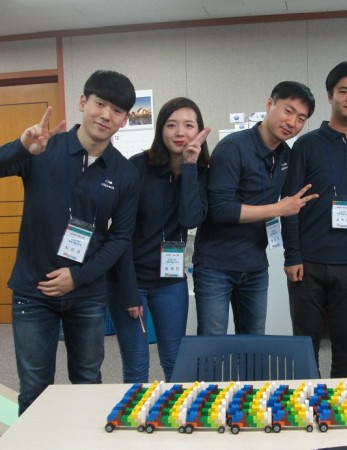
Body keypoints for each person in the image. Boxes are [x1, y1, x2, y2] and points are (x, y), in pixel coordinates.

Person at [0, 70, 140, 414]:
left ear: (124, 119)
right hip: (33, 292)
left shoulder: (124, 173)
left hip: (87, 294)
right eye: (100, 104)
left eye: (117, 110)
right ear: (83, 102)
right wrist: (20, 147)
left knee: (87, 381)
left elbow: (120, 237)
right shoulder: (42, 148)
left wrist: (78, 277)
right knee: (34, 387)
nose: (106, 115)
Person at [281, 61, 347, 378]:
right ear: (330, 95)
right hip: (307, 264)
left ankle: (341, 402)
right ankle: (307, 400)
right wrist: (292, 255)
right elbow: (290, 204)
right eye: (344, 91)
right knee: (305, 345)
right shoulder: (306, 144)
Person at [193, 81, 317, 336]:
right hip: (215, 265)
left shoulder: (286, 155)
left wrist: (293, 256)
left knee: (253, 342)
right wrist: (277, 209)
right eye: (288, 111)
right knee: (212, 344)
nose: (292, 122)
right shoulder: (233, 148)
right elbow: (220, 210)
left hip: (255, 265)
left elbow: (291, 209)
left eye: (301, 118)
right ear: (270, 104)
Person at [107, 97, 211, 383]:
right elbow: (121, 234)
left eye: (188, 125)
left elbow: (190, 219)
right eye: (171, 125)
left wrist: (189, 167)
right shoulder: (138, 167)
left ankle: (175, 411)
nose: (180, 133)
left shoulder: (200, 171)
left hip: (170, 281)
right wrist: (128, 291)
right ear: (160, 129)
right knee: (137, 365)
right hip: (130, 279)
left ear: (198, 130)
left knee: (175, 362)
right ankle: (137, 411)